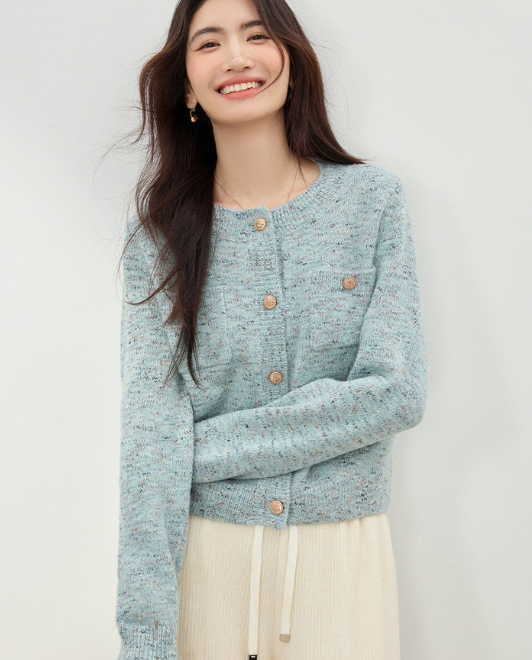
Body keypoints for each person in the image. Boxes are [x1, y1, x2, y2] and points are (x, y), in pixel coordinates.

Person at [115, 0, 428, 658]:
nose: (236, 57)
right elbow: (150, 433)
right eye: (209, 43)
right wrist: (144, 638)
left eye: (256, 35)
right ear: (186, 86)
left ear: (292, 57)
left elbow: (396, 394)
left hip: (341, 562)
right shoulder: (159, 240)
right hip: (206, 563)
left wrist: (195, 452)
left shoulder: (371, 203)